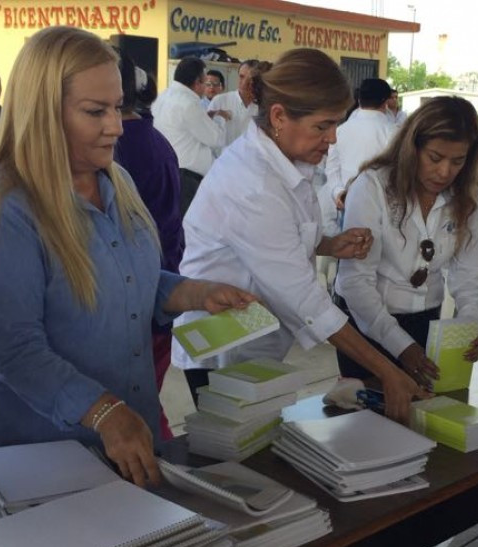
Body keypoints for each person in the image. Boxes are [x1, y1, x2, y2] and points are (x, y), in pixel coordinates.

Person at [0, 27, 256, 498]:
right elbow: (15, 348)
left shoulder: (115, 179)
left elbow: (127, 275)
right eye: (95, 111)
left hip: (105, 430)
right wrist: (105, 411)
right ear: (43, 112)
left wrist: (194, 292)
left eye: (119, 107)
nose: (117, 126)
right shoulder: (1, 212)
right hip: (21, 442)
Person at [174, 48, 426, 425]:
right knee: (238, 443)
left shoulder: (286, 159)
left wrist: (329, 244)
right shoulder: (253, 182)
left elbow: (284, 234)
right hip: (222, 348)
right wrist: (389, 369)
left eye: (336, 124)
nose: (333, 138)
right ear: (279, 116)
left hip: (258, 335)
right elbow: (306, 300)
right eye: (322, 126)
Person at [335, 95, 478, 391]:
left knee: (423, 407)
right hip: (366, 322)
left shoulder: (466, 199)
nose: (444, 172)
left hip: (426, 322)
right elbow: (356, 281)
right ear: (412, 147)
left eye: (457, 161)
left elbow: (470, 272)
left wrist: (471, 323)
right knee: (370, 408)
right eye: (435, 158)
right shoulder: (373, 187)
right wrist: (401, 346)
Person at [115, 61, 182, 442]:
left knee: (137, 415)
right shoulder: (153, 140)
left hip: (142, 303)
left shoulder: (119, 152)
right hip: (157, 291)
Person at [153, 57, 225, 216]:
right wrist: (220, 121)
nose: (207, 87)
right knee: (188, 225)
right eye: (206, 82)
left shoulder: (164, 96)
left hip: (167, 171)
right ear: (197, 82)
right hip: (186, 179)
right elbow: (215, 138)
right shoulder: (189, 104)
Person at [326, 78, 399, 215]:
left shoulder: (340, 130)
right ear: (385, 103)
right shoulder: (392, 132)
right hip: (380, 206)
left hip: (346, 202)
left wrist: (338, 192)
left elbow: (331, 168)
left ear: (359, 100)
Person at [208, 59, 263, 148]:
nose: (244, 83)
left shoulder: (263, 106)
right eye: (241, 77)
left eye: (250, 79)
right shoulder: (220, 101)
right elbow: (207, 136)